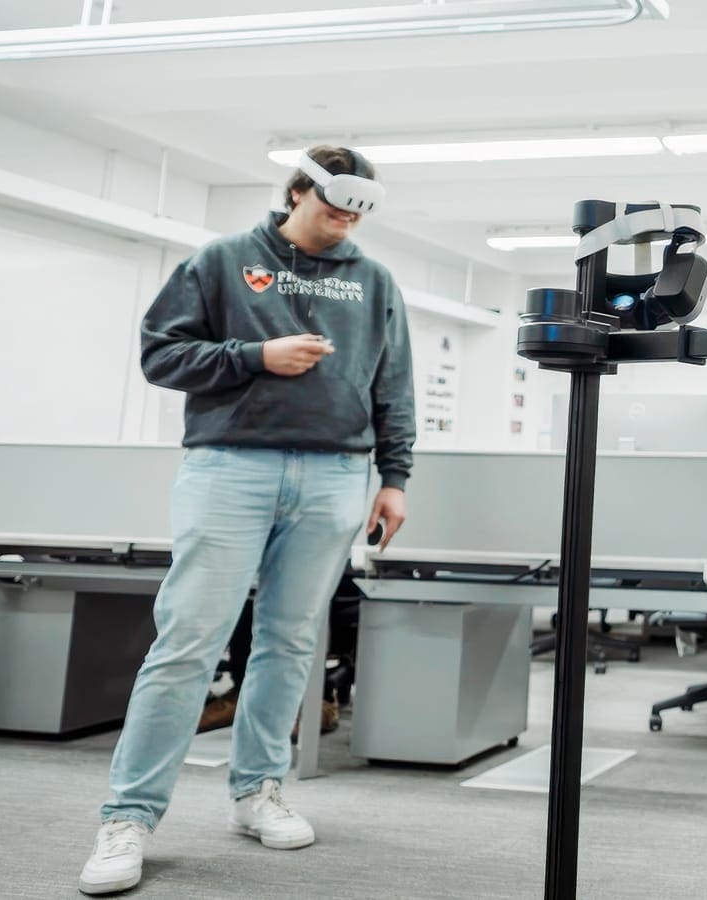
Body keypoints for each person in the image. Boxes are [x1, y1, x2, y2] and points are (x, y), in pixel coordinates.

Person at [78, 145, 416, 896]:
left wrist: (394, 477)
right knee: (187, 644)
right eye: (333, 205)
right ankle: (128, 816)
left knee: (289, 642)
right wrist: (255, 356)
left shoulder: (374, 281)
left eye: (357, 210)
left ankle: (257, 790)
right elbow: (161, 355)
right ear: (297, 192)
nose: (345, 221)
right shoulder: (224, 261)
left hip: (335, 474)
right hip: (231, 466)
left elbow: (394, 384)